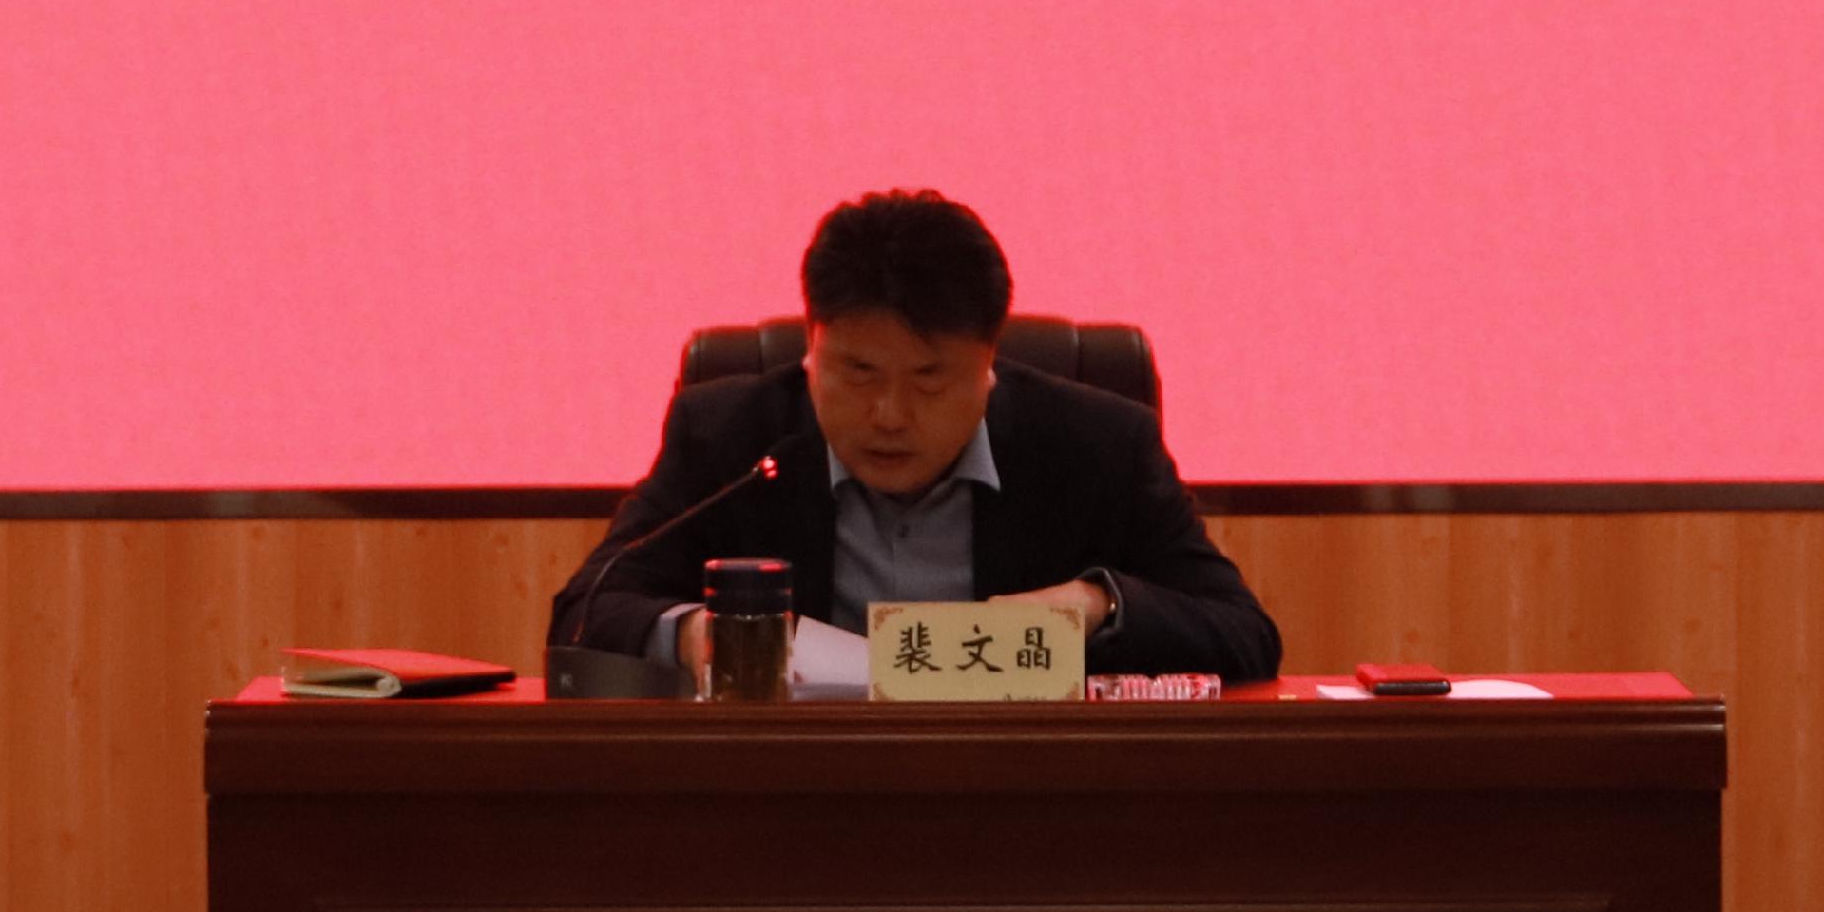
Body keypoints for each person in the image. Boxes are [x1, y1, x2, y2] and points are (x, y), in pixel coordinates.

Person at [549, 188, 1282, 685]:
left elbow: (1243, 634)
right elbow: (585, 611)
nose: (889, 415)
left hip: (1026, 803)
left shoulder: (1096, 445)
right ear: (811, 349)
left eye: (929, 381)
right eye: (858, 373)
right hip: (784, 801)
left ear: (989, 366)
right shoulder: (730, 437)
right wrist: (696, 636)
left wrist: (1094, 606)